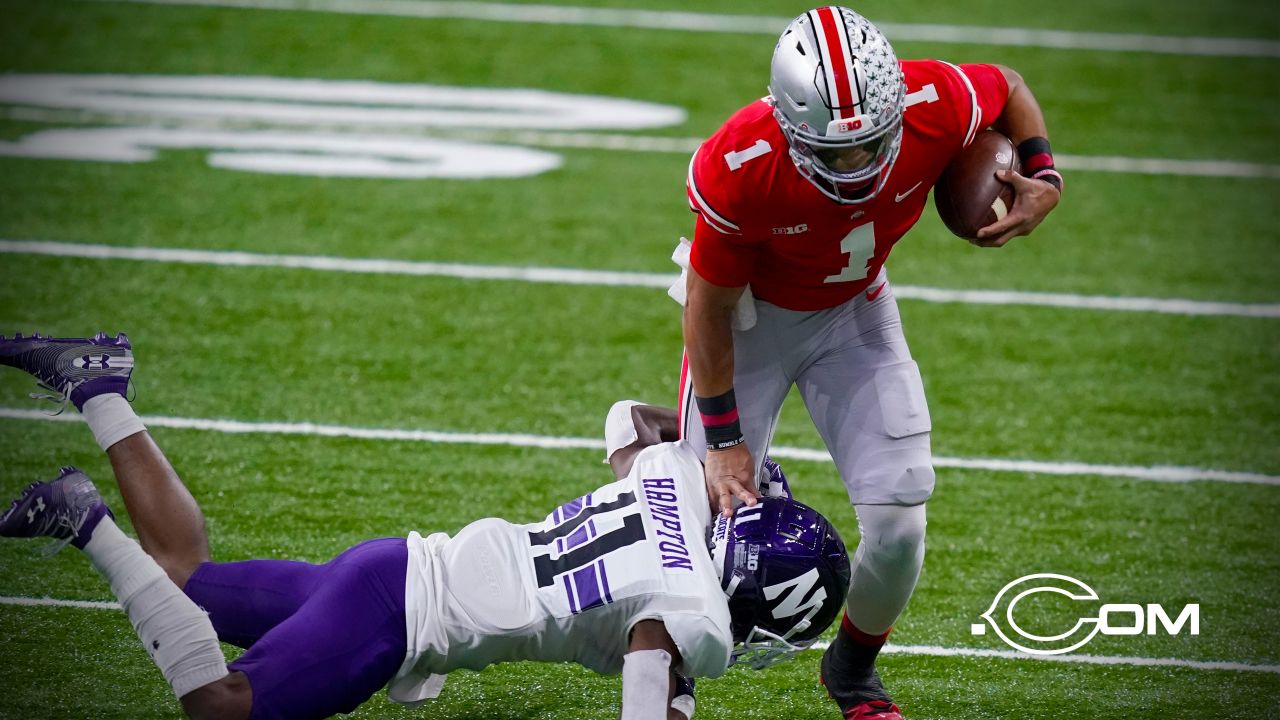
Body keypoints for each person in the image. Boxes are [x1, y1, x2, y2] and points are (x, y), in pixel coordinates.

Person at [0, 332, 851, 720]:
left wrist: (710, 454)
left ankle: (99, 387)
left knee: (183, 574)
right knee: (219, 708)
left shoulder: (669, 477)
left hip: (395, 566)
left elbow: (627, 421)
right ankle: (85, 524)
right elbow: (651, 678)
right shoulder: (693, 617)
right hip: (393, 620)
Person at [677, 7, 1062, 719]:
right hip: (750, 321)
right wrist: (726, 443)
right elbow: (705, 306)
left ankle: (851, 668)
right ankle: (670, 668)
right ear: (789, 126)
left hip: (854, 311)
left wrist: (1043, 172)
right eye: (834, 152)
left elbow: (1007, 86)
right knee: (698, 512)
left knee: (901, 516)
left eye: (869, 146)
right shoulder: (742, 162)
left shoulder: (932, 102)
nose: (855, 165)